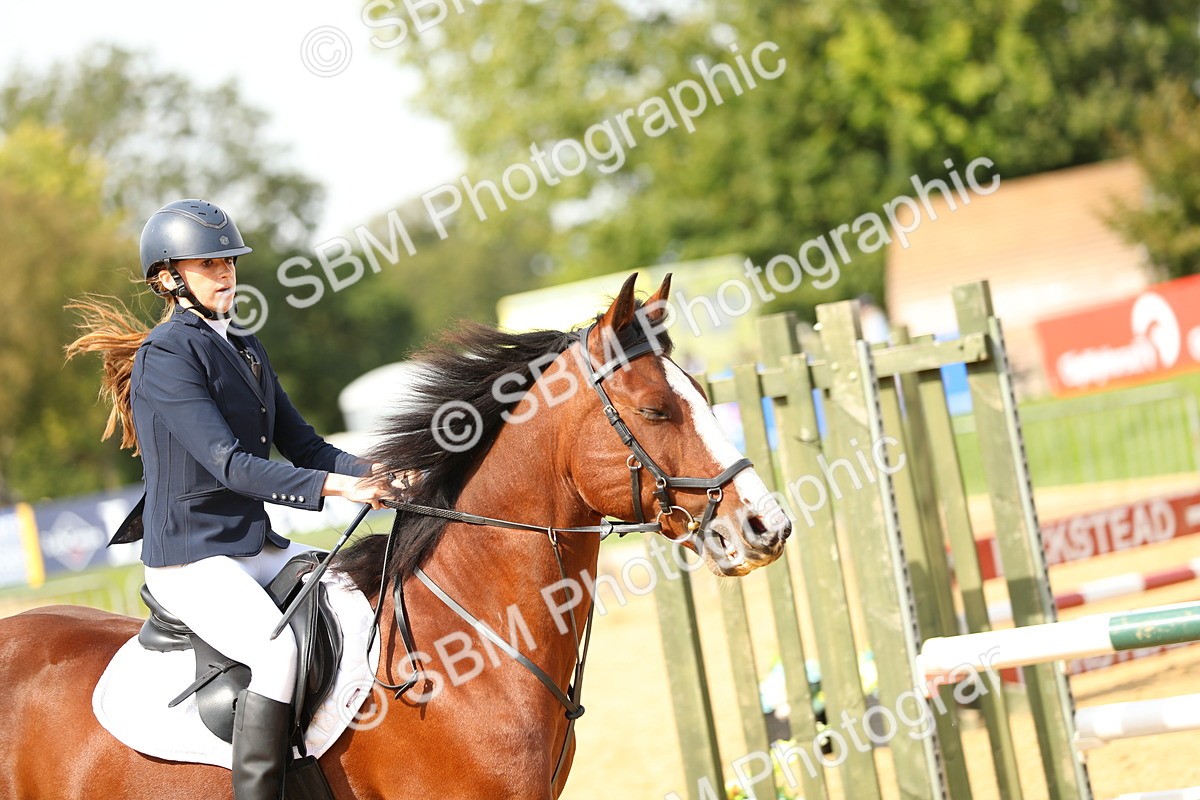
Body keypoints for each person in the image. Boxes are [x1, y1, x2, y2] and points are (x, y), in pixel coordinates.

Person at [67, 199, 395, 800]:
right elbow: (230, 466)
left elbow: (306, 445)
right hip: (193, 561)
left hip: (252, 545)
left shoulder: (244, 344)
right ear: (168, 278)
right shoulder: (165, 356)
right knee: (278, 658)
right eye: (206, 263)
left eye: (228, 261)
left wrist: (384, 473)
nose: (224, 272)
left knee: (364, 604)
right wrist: (340, 488)